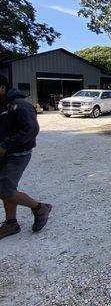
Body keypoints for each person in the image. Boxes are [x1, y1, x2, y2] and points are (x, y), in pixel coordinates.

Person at [0, 74, 52, 239]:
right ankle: (11, 223)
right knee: (6, 187)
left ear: (2, 87)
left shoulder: (20, 105)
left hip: (17, 154)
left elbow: (31, 129)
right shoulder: (2, 105)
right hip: (5, 153)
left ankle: (39, 207)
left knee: (5, 189)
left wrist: (5, 145)